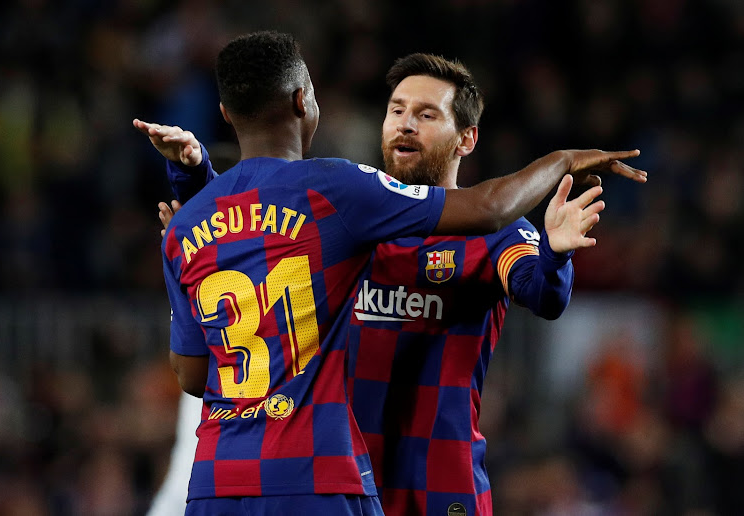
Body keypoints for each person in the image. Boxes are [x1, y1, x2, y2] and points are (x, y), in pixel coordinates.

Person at [137, 31, 645, 516]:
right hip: (339, 479)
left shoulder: (491, 233)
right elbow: (262, 239)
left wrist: (555, 253)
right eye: (396, 110)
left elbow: (542, 292)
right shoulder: (350, 218)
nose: (405, 124)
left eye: (426, 114)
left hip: (436, 485)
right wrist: (202, 177)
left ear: (466, 138)